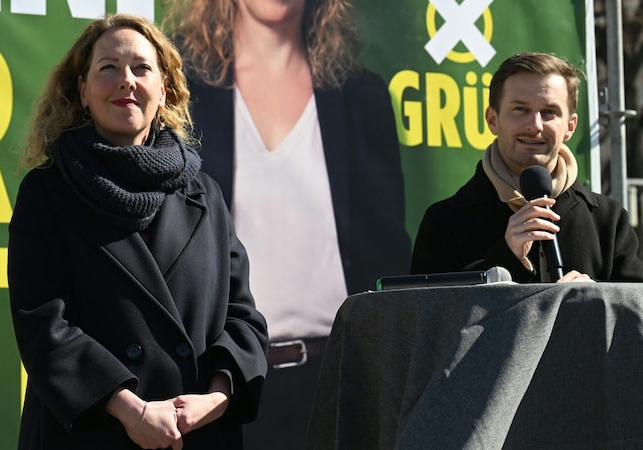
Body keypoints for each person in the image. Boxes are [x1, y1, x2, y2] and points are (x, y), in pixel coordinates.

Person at [7, 13, 268, 450]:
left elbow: (243, 318)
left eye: (141, 68)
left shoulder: (204, 194)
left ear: (163, 90)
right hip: (92, 435)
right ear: (83, 93)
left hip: (197, 435)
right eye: (108, 68)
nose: (126, 80)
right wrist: (133, 412)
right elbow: (44, 328)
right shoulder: (46, 194)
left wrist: (216, 399)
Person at [164, 1, 410, 448]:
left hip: (342, 379)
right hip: (223, 382)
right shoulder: (182, 89)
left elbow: (388, 251)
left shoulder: (360, 94)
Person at [411, 52, 643, 282]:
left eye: (549, 112)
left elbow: (635, 313)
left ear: (570, 126)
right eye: (520, 109)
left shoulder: (609, 221)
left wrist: (597, 300)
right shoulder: (444, 223)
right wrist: (505, 259)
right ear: (493, 120)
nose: (535, 125)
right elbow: (428, 314)